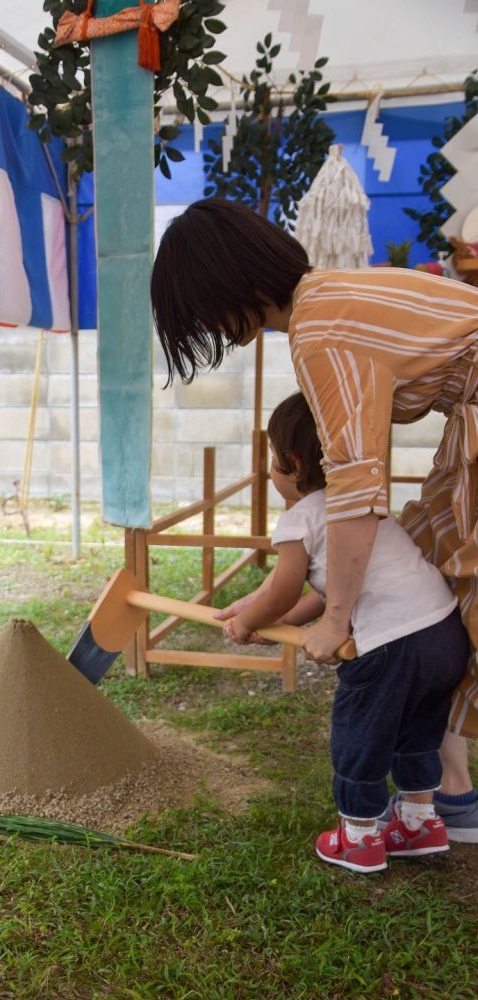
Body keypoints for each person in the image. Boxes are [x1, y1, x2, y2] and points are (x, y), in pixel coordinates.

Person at [150, 197, 478, 843]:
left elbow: (357, 486)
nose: (206, 326)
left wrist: (333, 621)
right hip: (464, 433)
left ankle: (430, 809)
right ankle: (451, 803)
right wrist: (305, 609)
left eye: (202, 307)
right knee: (442, 572)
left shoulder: (321, 329)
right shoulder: (335, 296)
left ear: (235, 284)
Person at [221, 392, 468, 871]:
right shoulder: (361, 502)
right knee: (418, 729)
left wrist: (251, 621)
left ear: (292, 462)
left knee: (361, 731)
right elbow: (331, 590)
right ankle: (419, 825)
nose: (272, 473)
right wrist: (268, 621)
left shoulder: (299, 518)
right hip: (442, 631)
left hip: (391, 644)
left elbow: (282, 590)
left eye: (272, 462)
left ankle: (358, 837)